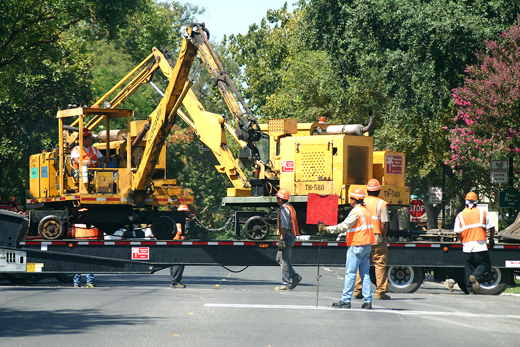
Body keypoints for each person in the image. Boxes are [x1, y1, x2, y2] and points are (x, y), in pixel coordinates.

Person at [319, 187, 375, 309]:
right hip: (367, 246)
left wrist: (326, 229)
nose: (350, 200)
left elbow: (343, 226)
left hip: (356, 245)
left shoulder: (355, 212)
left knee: (351, 273)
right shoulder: (366, 211)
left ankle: (345, 300)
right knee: (365, 274)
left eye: (351, 198)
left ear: (355, 200)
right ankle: (368, 301)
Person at [353, 178, 391, 300]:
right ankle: (380, 292)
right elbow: (384, 223)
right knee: (380, 265)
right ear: (379, 190)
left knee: (361, 263)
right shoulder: (382, 204)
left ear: (367, 190)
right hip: (377, 237)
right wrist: (383, 237)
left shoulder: (361, 202)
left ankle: (357, 291)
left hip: (363, 237)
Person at [453, 191, 495, 294]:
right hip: (480, 244)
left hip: (467, 245)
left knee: (469, 268)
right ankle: (476, 276)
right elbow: (492, 227)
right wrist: (491, 240)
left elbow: (457, 232)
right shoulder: (482, 213)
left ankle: (471, 290)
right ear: (476, 202)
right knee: (485, 265)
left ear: (466, 202)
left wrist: (462, 241)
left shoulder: (460, 215)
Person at [274, 188, 302, 291]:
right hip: (289, 236)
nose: (277, 199)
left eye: (278, 198)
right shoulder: (290, 207)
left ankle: (286, 283)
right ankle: (295, 277)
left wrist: (281, 240)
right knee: (279, 258)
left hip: (287, 237)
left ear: (281, 199)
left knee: (284, 260)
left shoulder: (284, 209)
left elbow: (284, 226)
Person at [73, 224, 103, 288]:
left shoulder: (77, 214)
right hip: (92, 237)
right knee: (90, 261)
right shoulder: (94, 213)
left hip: (79, 236)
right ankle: (90, 282)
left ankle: (76, 282)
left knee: (79, 261)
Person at [170, 204, 191, 289]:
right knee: (180, 262)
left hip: (172, 241)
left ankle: (174, 280)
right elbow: (183, 235)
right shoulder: (184, 221)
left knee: (173, 263)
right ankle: (176, 281)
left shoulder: (174, 220)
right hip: (179, 243)